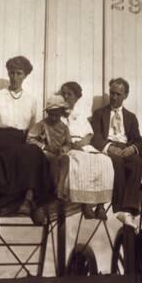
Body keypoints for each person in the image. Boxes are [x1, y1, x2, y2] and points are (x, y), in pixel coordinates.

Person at [0, 56, 54, 225]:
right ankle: (32, 203)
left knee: (35, 151)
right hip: (2, 139)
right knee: (26, 152)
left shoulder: (31, 100)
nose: (14, 77)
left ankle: (29, 199)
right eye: (11, 73)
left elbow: (33, 129)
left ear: (25, 76)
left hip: (22, 140)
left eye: (19, 73)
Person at [90, 78, 142, 229]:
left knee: (137, 162)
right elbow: (96, 137)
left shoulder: (131, 117)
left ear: (125, 95)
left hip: (126, 147)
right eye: (112, 93)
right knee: (117, 162)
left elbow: (138, 140)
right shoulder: (99, 114)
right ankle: (119, 208)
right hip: (110, 147)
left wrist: (133, 148)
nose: (114, 97)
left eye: (118, 94)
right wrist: (109, 147)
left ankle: (130, 209)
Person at [58, 82, 114, 220]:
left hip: (84, 145)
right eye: (63, 94)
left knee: (104, 160)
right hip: (70, 146)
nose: (65, 97)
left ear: (76, 98)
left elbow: (89, 134)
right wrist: (71, 144)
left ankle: (101, 205)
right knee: (79, 161)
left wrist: (82, 143)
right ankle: (85, 204)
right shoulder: (58, 115)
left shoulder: (80, 115)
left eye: (69, 94)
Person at [27, 95, 73, 188]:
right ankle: (55, 191)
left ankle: (60, 189)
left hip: (58, 152)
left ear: (61, 113)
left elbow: (68, 143)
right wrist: (45, 147)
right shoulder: (42, 124)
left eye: (57, 115)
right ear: (48, 112)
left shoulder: (64, 127)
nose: (54, 118)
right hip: (45, 152)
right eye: (51, 114)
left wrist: (63, 149)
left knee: (65, 160)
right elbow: (29, 139)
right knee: (54, 161)